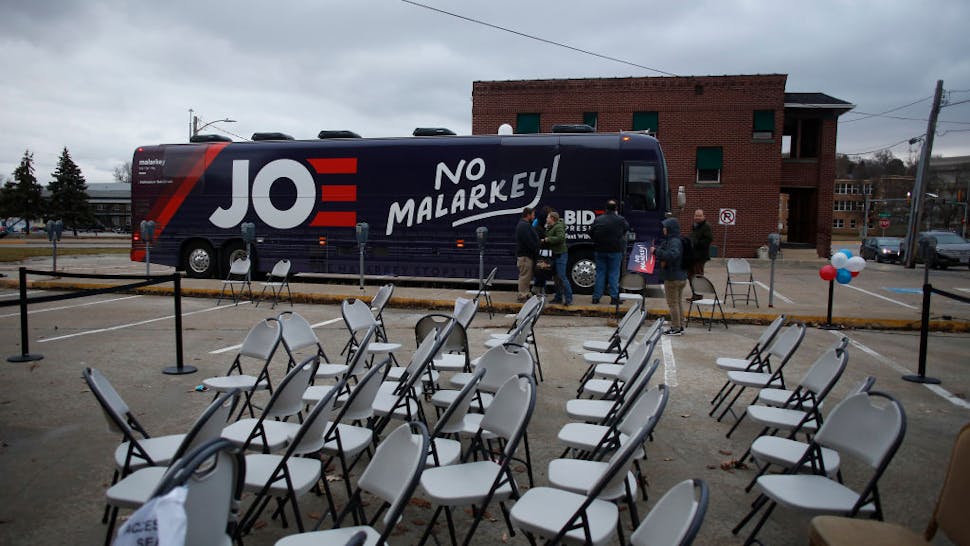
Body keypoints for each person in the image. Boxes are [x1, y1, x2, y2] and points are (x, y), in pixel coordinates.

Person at [653, 217, 688, 335]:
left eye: (665, 227)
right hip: (680, 276)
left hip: (673, 277)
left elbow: (673, 255)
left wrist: (656, 252)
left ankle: (676, 327)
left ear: (670, 229)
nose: (663, 229)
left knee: (673, 303)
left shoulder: (674, 242)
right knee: (677, 302)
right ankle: (680, 325)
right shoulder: (674, 240)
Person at [590, 199, 629, 305]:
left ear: (606, 208)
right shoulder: (620, 219)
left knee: (600, 274)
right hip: (615, 250)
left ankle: (596, 298)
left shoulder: (598, 219)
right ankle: (614, 297)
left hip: (600, 249)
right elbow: (626, 228)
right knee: (614, 274)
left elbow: (591, 232)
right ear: (616, 208)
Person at [541, 210, 572, 306]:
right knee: (556, 278)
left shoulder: (558, 227)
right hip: (554, 255)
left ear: (552, 219)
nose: (546, 219)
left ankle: (568, 299)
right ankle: (558, 298)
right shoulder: (551, 227)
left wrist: (547, 239)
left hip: (560, 255)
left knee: (562, 277)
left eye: (548, 217)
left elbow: (561, 238)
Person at [515, 207, 540, 302]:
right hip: (525, 256)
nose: (534, 216)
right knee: (525, 276)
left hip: (526, 255)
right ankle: (522, 295)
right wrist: (535, 247)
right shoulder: (524, 226)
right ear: (528, 215)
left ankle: (526, 292)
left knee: (527, 276)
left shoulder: (524, 225)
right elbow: (528, 241)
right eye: (533, 214)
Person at [688, 208, 713, 300]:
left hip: (700, 256)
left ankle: (699, 295)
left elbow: (708, 240)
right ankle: (694, 294)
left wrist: (696, 242)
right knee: (690, 275)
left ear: (703, 216)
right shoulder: (695, 226)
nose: (697, 217)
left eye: (699, 216)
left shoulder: (706, 226)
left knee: (697, 275)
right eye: (696, 215)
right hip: (692, 256)